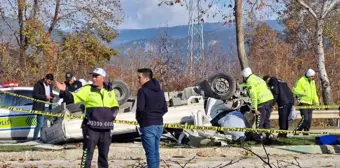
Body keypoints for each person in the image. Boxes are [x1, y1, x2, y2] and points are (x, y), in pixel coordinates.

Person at [55, 68, 119, 168]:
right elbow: (72, 98)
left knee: (104, 157)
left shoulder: (110, 91)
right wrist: (65, 91)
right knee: (87, 156)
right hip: (91, 128)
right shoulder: (87, 89)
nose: (93, 78)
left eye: (96, 76)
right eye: (92, 76)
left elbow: (115, 106)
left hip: (106, 129)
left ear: (102, 78)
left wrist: (112, 116)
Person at [136, 68, 168, 168]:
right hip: (159, 124)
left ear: (146, 78)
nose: (138, 79)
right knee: (155, 152)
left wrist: (140, 120)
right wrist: (157, 116)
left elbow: (140, 109)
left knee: (150, 154)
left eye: (139, 77)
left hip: (148, 124)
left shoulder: (142, 91)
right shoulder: (160, 92)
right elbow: (165, 108)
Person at [241, 67, 274, 142]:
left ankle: (260, 139)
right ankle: (269, 137)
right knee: (266, 120)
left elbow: (253, 96)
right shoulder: (258, 78)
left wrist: (254, 108)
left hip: (262, 102)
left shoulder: (249, 81)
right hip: (269, 99)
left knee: (259, 122)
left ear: (244, 75)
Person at [292, 69, 319, 135]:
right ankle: (298, 130)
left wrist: (316, 102)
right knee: (305, 118)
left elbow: (314, 93)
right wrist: (303, 93)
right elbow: (294, 90)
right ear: (308, 75)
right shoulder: (301, 81)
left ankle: (306, 131)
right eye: (312, 76)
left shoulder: (312, 82)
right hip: (303, 102)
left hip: (310, 102)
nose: (313, 78)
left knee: (309, 119)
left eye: (313, 76)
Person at [32, 73, 55, 141]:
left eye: (50, 82)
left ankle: (43, 138)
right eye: (48, 81)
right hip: (40, 106)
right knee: (40, 123)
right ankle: (35, 138)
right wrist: (45, 97)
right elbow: (34, 94)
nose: (49, 83)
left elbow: (50, 93)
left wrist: (52, 96)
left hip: (48, 106)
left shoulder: (50, 85)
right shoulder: (38, 84)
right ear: (45, 78)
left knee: (46, 123)